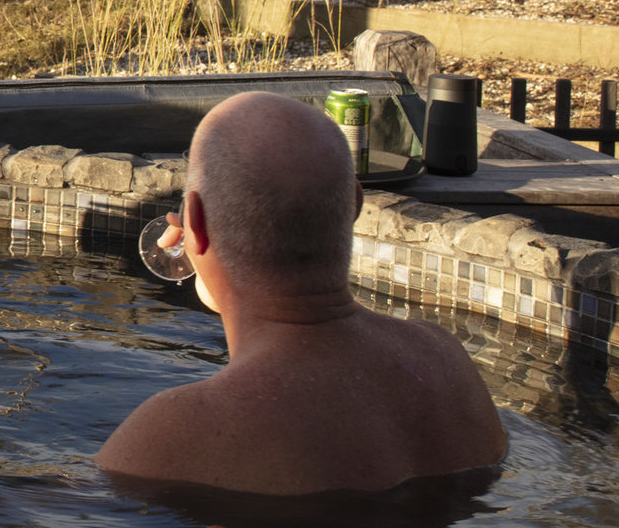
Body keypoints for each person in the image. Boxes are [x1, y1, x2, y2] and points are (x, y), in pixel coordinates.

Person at [98, 91, 506, 495]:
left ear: (196, 223)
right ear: (354, 206)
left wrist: (210, 248)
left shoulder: (184, 427)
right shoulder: (445, 359)